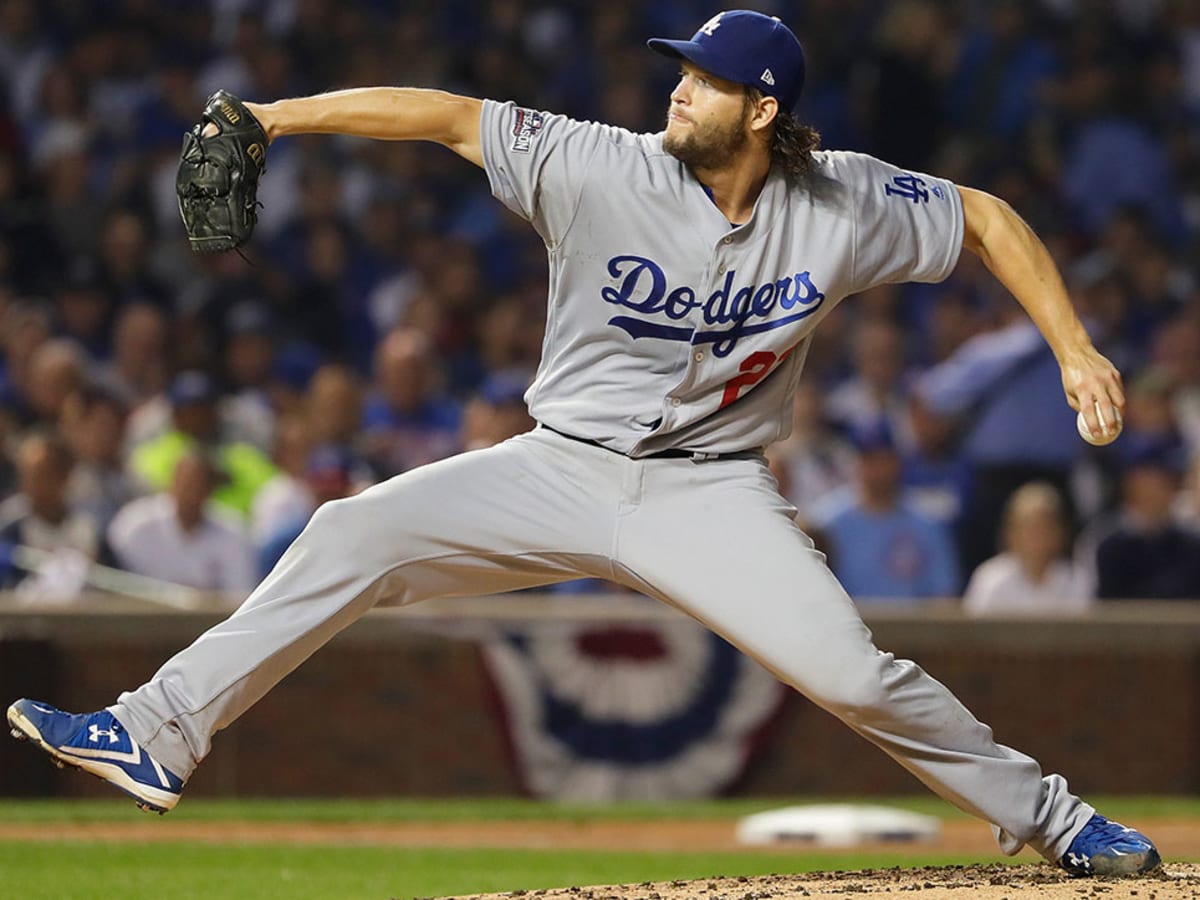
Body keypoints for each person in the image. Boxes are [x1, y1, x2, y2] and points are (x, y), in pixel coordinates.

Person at [6, 9, 1156, 878]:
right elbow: (443, 115)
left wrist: (1075, 350)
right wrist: (272, 118)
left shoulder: (844, 202)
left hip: (710, 493)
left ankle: (1054, 818)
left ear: (761, 110)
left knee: (857, 674)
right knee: (350, 529)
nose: (681, 91)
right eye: (682, 70)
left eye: (706, 81)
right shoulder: (600, 163)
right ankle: (152, 731)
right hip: (558, 468)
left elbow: (989, 217)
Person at [962, 481, 1093, 616]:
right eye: (1029, 528)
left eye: (1045, 527)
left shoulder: (1077, 579)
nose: (1038, 536)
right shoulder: (989, 578)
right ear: (1011, 532)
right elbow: (974, 632)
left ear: (1060, 532)